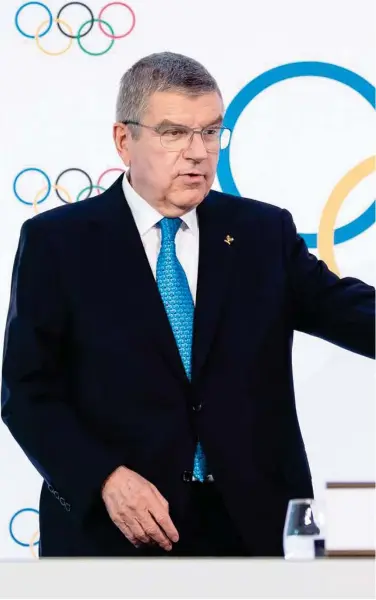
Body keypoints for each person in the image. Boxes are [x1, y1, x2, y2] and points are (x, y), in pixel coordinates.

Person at [1, 52, 374, 558]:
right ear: (123, 140)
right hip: (116, 534)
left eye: (211, 132)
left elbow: (353, 313)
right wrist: (103, 477)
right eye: (175, 133)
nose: (198, 152)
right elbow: (26, 391)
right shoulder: (57, 243)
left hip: (254, 531)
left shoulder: (262, 233)